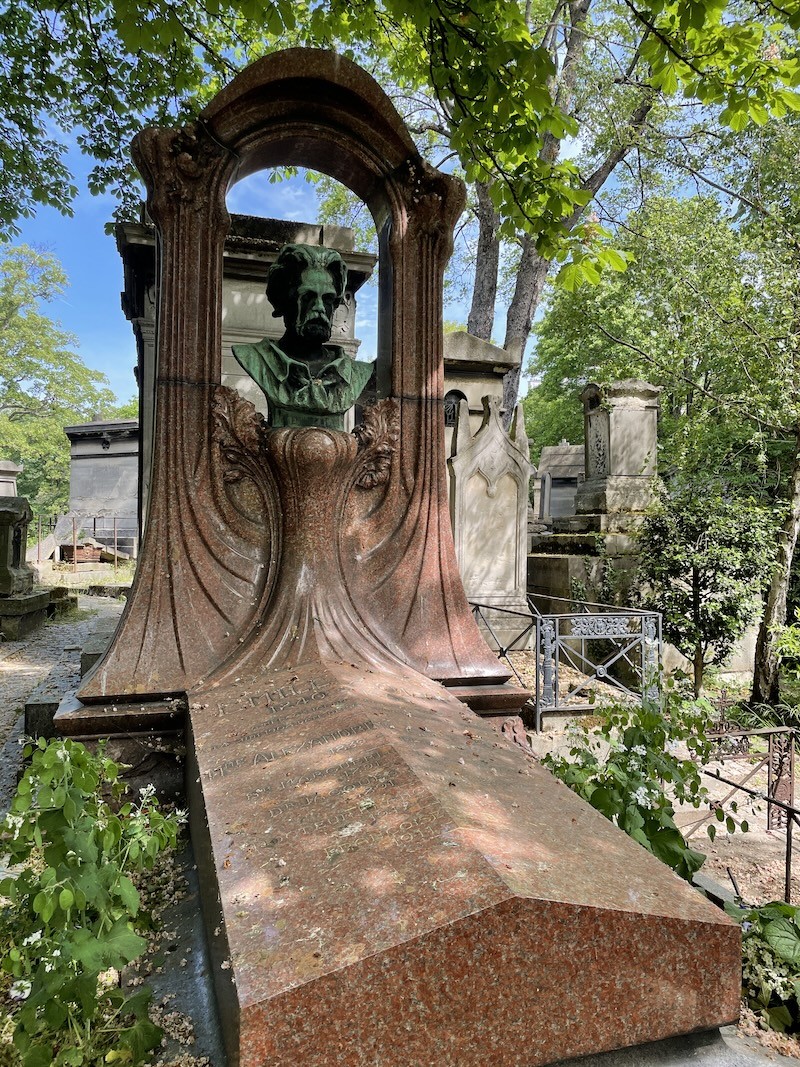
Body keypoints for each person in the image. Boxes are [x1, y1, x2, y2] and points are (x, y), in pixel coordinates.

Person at [231, 244, 374, 429]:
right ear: (283, 301)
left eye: (328, 299)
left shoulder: (355, 373)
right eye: (308, 297)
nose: (320, 308)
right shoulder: (253, 357)